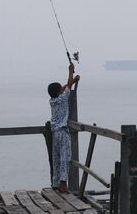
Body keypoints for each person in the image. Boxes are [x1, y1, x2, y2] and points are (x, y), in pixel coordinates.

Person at [47, 63, 80, 193]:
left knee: (56, 157)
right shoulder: (63, 99)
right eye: (61, 88)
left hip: (55, 133)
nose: (63, 89)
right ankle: (63, 184)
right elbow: (68, 85)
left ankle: (55, 183)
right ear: (60, 92)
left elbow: (67, 86)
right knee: (65, 158)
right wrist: (70, 71)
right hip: (63, 132)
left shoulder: (53, 100)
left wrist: (72, 80)